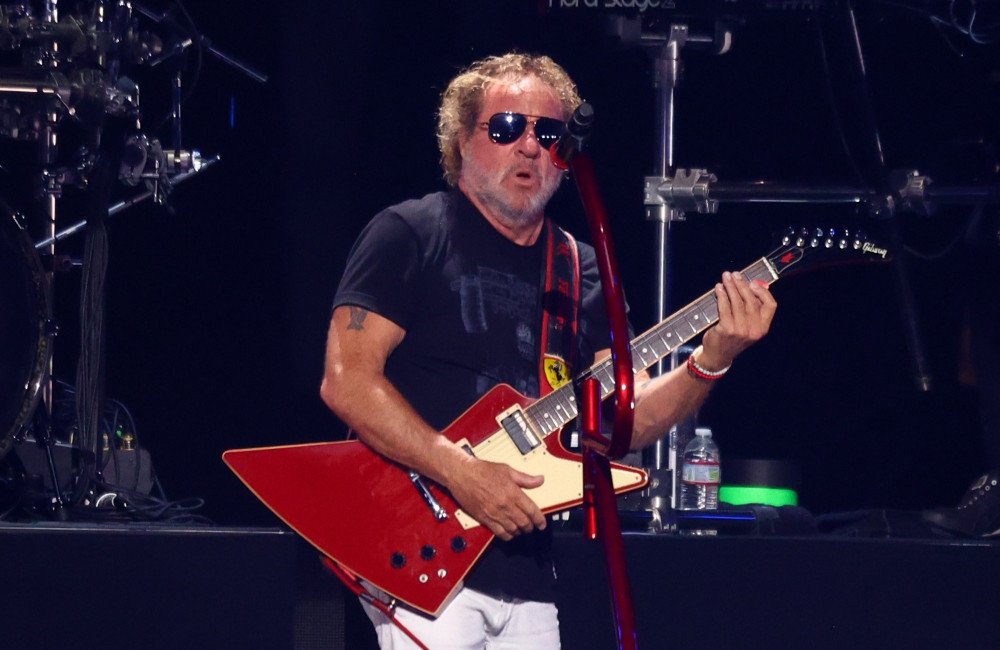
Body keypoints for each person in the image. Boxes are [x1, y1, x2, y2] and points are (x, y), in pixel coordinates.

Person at [320, 52, 777, 649]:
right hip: (419, 550)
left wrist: (710, 360)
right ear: (462, 140)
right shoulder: (411, 232)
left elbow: (618, 424)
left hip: (529, 568)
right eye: (507, 127)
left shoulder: (577, 265)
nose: (531, 146)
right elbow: (346, 380)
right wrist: (462, 471)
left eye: (549, 132)